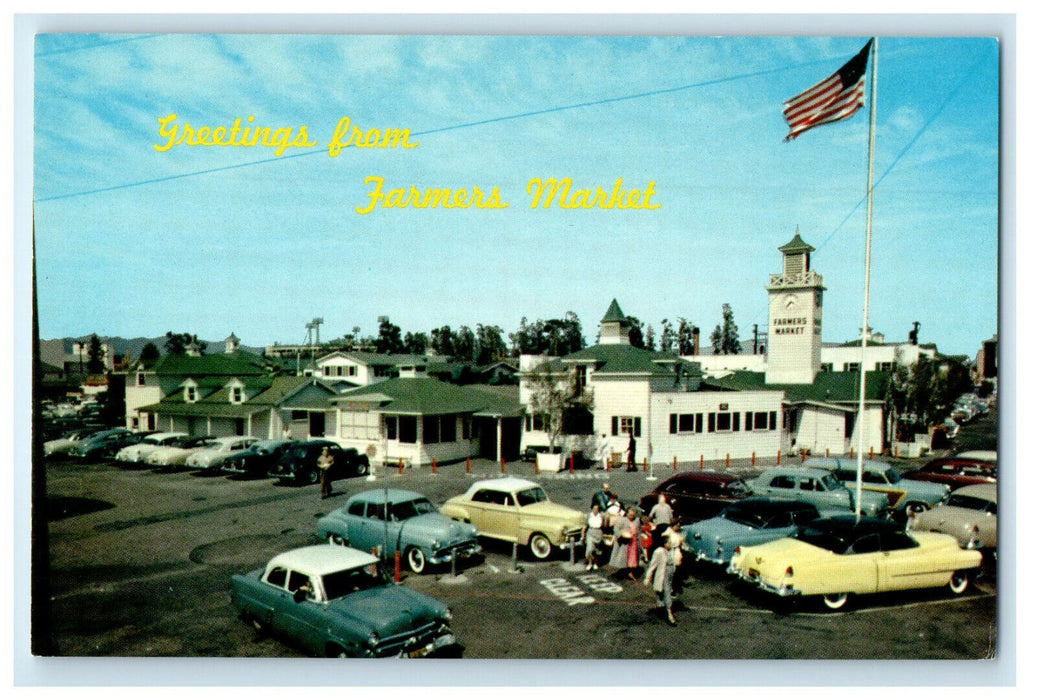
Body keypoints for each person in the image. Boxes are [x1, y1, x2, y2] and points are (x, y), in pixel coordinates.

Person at [645, 530, 680, 625]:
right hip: (663, 576)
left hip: (669, 577)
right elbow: (652, 565)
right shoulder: (659, 552)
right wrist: (648, 577)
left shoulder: (670, 551)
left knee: (663, 593)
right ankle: (670, 614)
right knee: (667, 593)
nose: (669, 544)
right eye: (668, 543)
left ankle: (661, 608)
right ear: (664, 543)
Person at [608, 507, 637, 573]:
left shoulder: (635, 521)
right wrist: (621, 535)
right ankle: (624, 571)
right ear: (627, 514)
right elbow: (616, 529)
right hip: (624, 541)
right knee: (623, 557)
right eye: (630, 515)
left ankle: (630, 572)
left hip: (633, 542)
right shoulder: (622, 520)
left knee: (632, 558)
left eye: (633, 515)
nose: (631, 516)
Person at [583, 504, 605, 571]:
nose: (595, 510)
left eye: (597, 508)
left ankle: (595, 563)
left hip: (598, 532)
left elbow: (604, 525)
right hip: (590, 532)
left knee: (597, 550)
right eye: (594, 508)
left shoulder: (601, 516)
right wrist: (583, 534)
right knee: (590, 549)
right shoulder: (589, 516)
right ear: (592, 509)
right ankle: (590, 563)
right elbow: (585, 525)